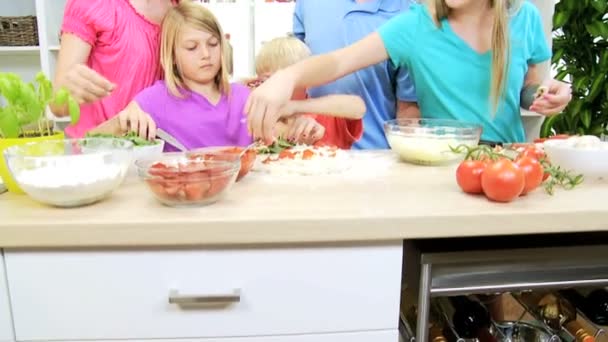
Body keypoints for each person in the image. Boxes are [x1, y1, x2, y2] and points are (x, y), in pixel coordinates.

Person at [248, 0, 572, 145]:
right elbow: (338, 62)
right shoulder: (417, 25)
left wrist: (544, 94)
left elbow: (529, 87)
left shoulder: (524, 16)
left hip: (508, 160)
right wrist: (285, 77)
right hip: (442, 167)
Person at [111, 1, 325, 150]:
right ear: (172, 55)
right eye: (192, 47)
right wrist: (122, 121)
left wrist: (303, 130)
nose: (205, 54)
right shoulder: (153, 100)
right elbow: (92, 140)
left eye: (213, 44)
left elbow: (285, 136)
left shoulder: (246, 97)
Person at [293, 0, 419, 149]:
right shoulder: (308, 4)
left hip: (375, 158)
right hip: (309, 156)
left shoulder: (409, 16)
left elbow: (409, 111)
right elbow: (295, 76)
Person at [51, 0, 179, 138]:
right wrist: (71, 89)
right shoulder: (95, 4)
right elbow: (58, 105)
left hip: (160, 151)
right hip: (100, 151)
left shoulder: (180, 7)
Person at [253, 36, 366, 149]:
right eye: (261, 81)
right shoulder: (263, 117)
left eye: (268, 81)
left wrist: (296, 107)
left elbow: (358, 107)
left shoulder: (327, 114)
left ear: (303, 79)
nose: (264, 88)